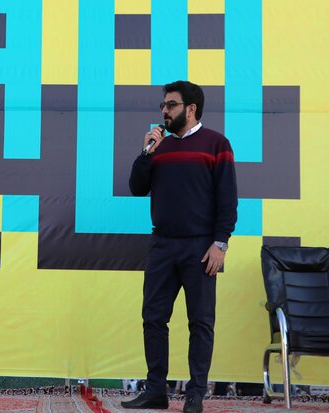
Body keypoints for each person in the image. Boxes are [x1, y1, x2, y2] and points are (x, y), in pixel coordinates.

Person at [122, 81, 238, 413]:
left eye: (170, 105)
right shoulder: (160, 146)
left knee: (201, 322)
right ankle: (156, 391)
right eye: (163, 105)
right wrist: (147, 152)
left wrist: (220, 244)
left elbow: (227, 200)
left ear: (191, 109)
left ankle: (195, 395)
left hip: (201, 247)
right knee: (153, 318)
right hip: (162, 244)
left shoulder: (217, 143)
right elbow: (136, 188)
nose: (163, 111)